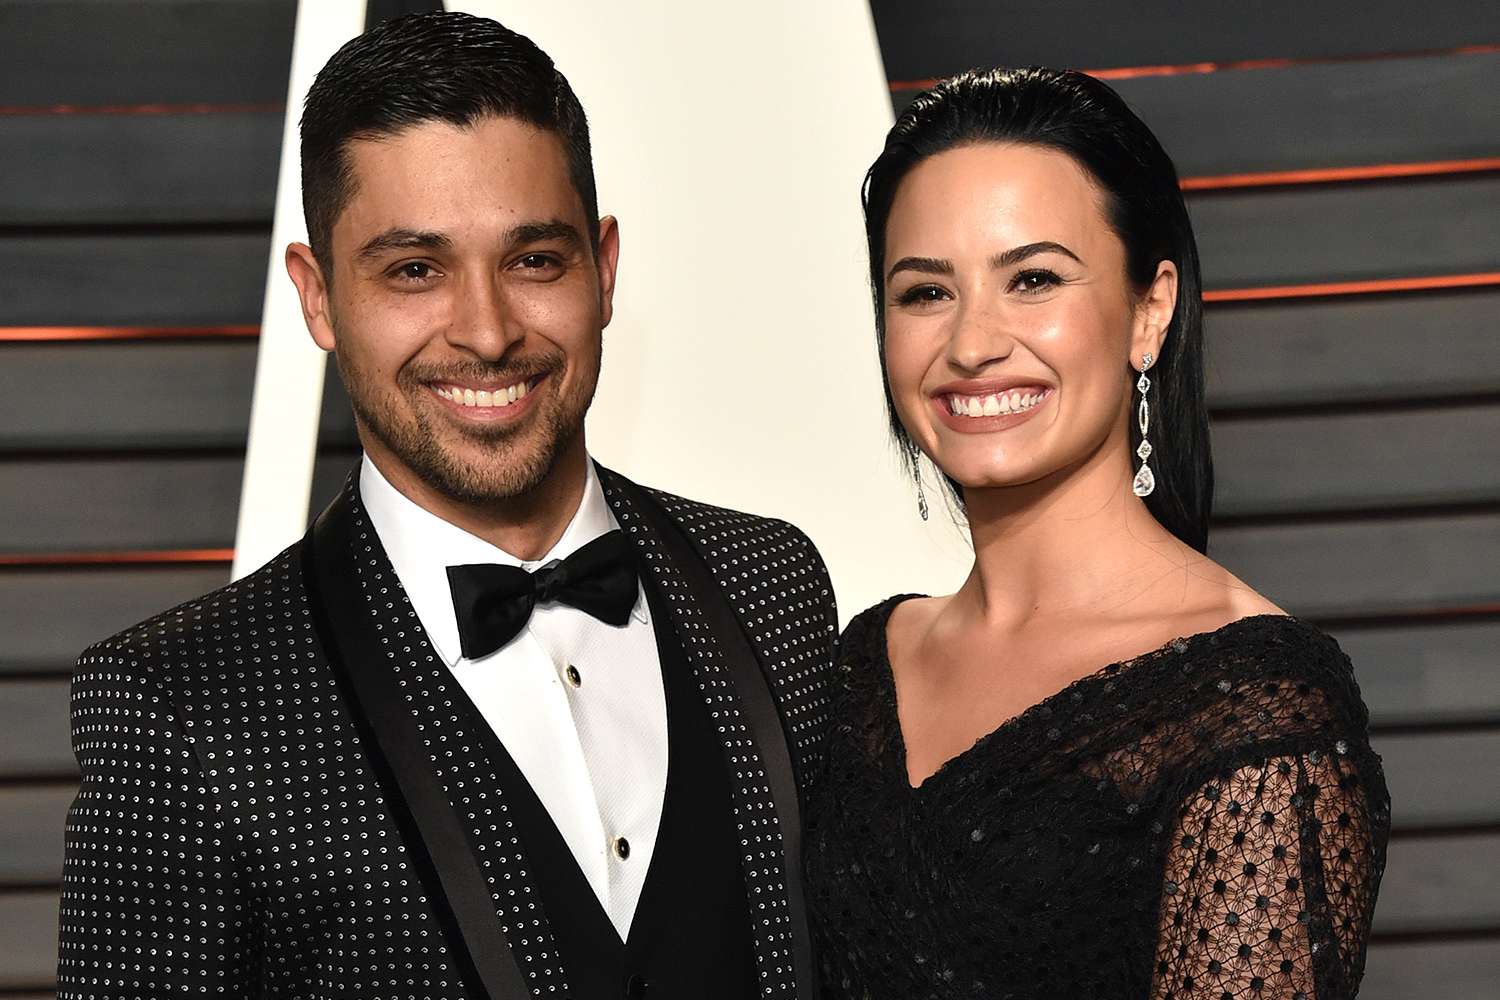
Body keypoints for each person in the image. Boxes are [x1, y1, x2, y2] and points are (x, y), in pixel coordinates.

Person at [56, 13, 835, 1000]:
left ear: (603, 268)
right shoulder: (183, 705)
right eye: (414, 269)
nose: (486, 331)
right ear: (319, 297)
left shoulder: (773, 585)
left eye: (534, 259)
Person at [804, 67, 1390, 1000]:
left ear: (1148, 311)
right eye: (924, 293)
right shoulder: (858, 665)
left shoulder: (1254, 705)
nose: (971, 344)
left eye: (1032, 279)